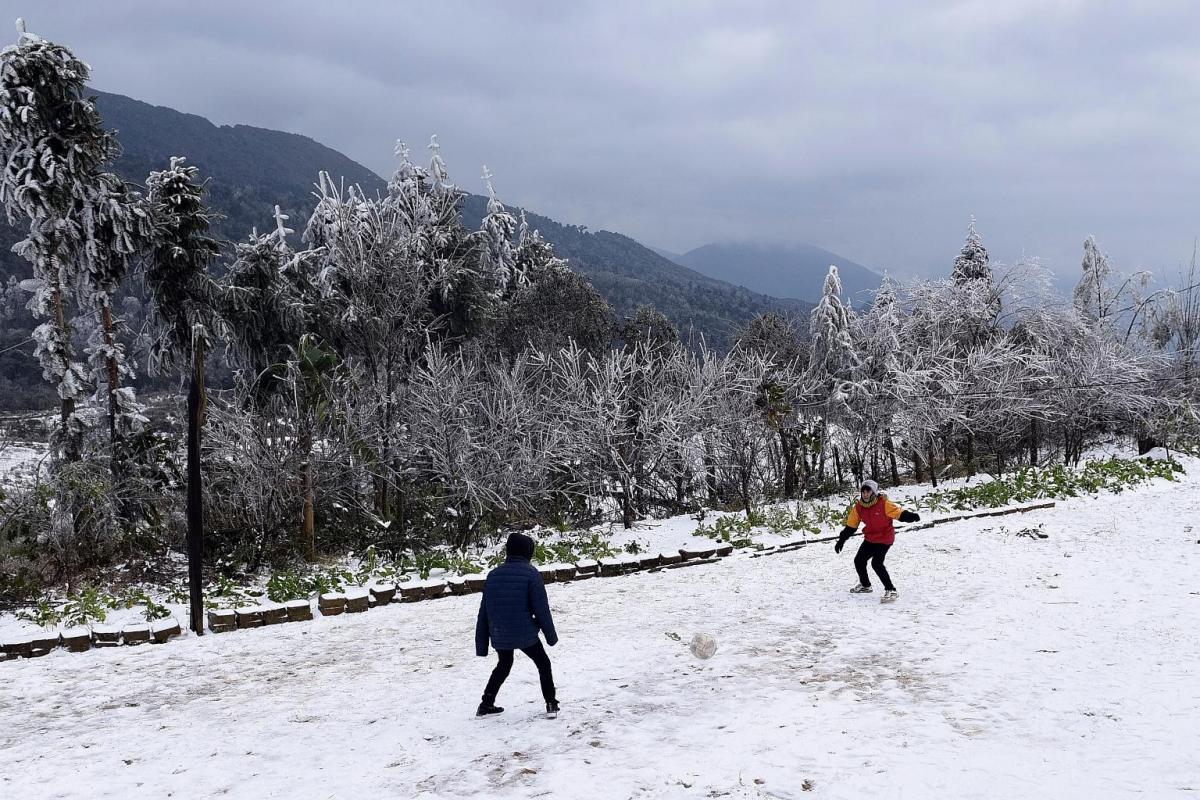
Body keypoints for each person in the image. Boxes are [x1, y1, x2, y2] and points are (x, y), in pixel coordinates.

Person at [475, 532, 560, 718]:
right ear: (528, 552)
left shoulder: (493, 575)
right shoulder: (531, 574)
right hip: (525, 633)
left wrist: (481, 645)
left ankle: (486, 703)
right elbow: (541, 609)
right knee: (543, 663)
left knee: (504, 665)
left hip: (499, 633)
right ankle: (551, 703)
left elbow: (483, 612)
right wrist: (550, 637)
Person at [835, 479, 920, 603]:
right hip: (870, 538)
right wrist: (841, 540)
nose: (865, 494)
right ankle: (865, 585)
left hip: (885, 538)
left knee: (876, 563)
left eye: (868, 491)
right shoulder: (859, 507)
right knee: (859, 561)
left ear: (873, 492)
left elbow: (898, 513)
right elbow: (851, 526)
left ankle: (891, 590)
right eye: (863, 491)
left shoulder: (884, 503)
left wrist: (910, 516)